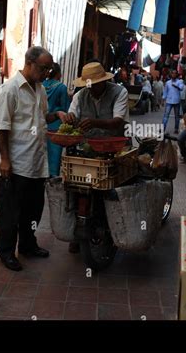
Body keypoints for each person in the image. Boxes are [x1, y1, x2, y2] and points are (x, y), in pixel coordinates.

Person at [0, 46, 68, 271]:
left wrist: (56, 114)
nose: (47, 73)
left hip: (37, 162)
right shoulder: (9, 90)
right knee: (10, 212)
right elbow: (2, 128)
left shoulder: (40, 89)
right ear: (29, 62)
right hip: (17, 163)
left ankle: (28, 244)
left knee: (33, 210)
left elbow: (40, 117)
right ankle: (6, 251)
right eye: (44, 68)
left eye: (49, 69)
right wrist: (5, 160)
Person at [62, 62, 130, 253]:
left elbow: (118, 121)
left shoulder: (119, 92)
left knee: (114, 189)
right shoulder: (79, 95)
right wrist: (69, 119)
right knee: (75, 186)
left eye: (95, 84)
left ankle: (116, 227)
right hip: (88, 149)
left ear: (103, 81)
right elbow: (72, 115)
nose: (91, 88)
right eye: (88, 85)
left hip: (114, 147)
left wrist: (95, 122)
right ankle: (77, 229)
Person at [43, 63, 70, 177]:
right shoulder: (61, 87)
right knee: (54, 159)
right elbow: (66, 109)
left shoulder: (41, 85)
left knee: (43, 157)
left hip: (43, 125)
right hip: (57, 128)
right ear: (59, 74)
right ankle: (52, 181)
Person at [162, 69, 184, 134]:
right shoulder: (167, 83)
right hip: (169, 101)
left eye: (175, 73)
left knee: (177, 116)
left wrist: (176, 86)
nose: (173, 74)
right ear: (171, 74)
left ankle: (176, 129)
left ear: (177, 75)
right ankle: (163, 128)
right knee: (166, 115)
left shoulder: (180, 82)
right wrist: (163, 100)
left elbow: (181, 88)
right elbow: (165, 92)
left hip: (177, 101)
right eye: (172, 73)